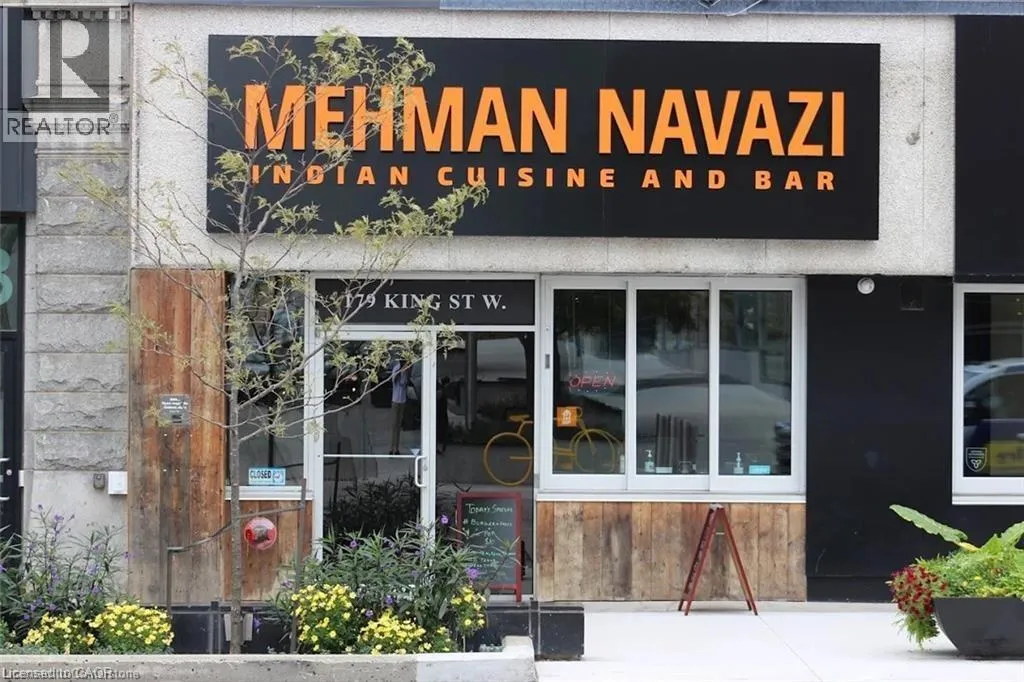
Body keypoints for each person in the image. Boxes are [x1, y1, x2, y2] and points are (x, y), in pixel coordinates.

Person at [388, 358, 410, 455]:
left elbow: (406, 383)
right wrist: (400, 370)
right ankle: (391, 447)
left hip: (402, 400)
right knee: (394, 424)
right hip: (395, 400)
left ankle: (396, 448)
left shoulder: (406, 371)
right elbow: (394, 380)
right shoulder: (396, 368)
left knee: (399, 425)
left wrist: (406, 371)